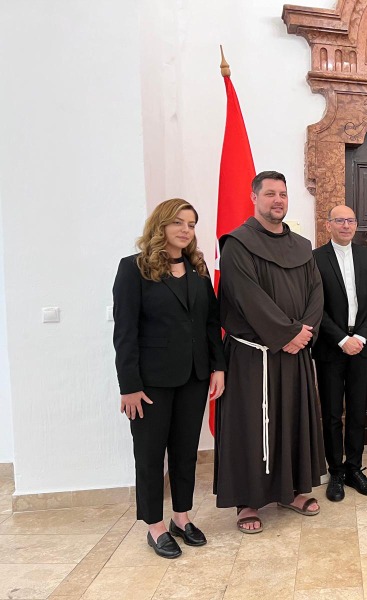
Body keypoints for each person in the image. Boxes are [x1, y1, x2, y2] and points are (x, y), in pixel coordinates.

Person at [113, 198, 226, 559]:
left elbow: (210, 323)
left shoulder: (198, 268)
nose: (185, 230)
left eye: (191, 224)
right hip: (151, 383)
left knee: (184, 453)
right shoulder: (134, 269)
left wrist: (218, 367)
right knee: (149, 455)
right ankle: (155, 525)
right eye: (178, 222)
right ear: (160, 225)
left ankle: (181, 516)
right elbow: (125, 331)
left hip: (194, 376)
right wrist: (129, 385)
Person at [213, 170, 325, 532]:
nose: (278, 200)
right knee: (252, 426)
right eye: (270, 194)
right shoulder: (237, 244)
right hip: (253, 356)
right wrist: (288, 334)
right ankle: (248, 500)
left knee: (291, 420)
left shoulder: (302, 246)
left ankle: (290, 490)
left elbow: (315, 294)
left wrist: (302, 334)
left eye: (283, 194)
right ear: (254, 197)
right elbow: (248, 299)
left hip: (294, 353)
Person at [313, 204, 367, 502]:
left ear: (356, 225)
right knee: (331, 412)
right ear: (328, 224)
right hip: (331, 346)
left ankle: (355, 467)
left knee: (358, 410)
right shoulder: (315, 258)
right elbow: (315, 305)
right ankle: (336, 470)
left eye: (351, 220)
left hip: (363, 345)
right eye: (339, 220)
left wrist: (361, 337)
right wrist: (342, 338)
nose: (345, 225)